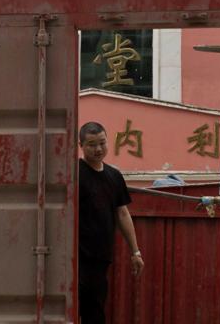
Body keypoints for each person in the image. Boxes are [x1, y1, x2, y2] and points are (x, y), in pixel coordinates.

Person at [78, 121, 143, 323]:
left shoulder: (114, 176)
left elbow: (122, 213)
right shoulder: (73, 173)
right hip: (75, 257)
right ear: (81, 146)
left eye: (102, 143)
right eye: (91, 144)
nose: (98, 149)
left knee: (95, 312)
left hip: (100, 258)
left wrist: (135, 252)